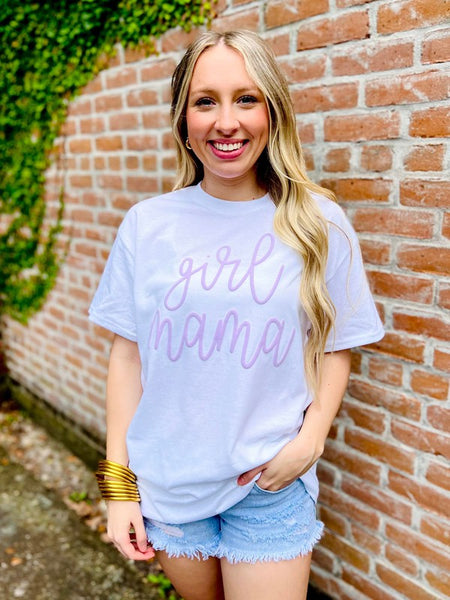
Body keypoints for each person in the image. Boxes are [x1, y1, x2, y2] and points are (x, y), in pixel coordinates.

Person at [89, 30, 384, 600]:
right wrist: (119, 487)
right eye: (206, 101)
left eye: (246, 99)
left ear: (273, 112)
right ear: (184, 121)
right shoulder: (147, 224)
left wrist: (311, 441)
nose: (227, 122)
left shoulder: (317, 222)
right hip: (167, 482)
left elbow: (336, 344)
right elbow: (127, 357)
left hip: (267, 483)